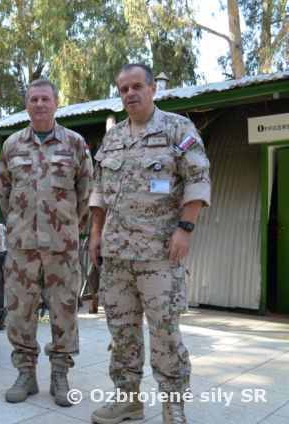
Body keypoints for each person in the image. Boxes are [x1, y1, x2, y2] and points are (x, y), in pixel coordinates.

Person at [88, 64, 211, 424]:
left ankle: (173, 405)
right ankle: (128, 400)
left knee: (165, 332)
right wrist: (95, 233)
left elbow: (198, 180)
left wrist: (185, 228)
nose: (130, 94)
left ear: (153, 88)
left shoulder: (177, 128)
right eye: (123, 89)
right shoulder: (113, 137)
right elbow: (99, 189)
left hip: (160, 253)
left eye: (137, 86)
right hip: (117, 255)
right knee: (122, 332)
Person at [0, 79, 93, 407]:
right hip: (22, 246)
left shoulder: (75, 143)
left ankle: (60, 375)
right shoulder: (12, 145)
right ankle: (25, 373)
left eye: (45, 99)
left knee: (64, 311)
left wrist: (69, 225)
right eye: (34, 99)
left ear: (56, 103)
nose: (39, 104)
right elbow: (4, 192)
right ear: (27, 104)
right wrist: (20, 223)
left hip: (61, 247)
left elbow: (86, 190)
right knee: (19, 312)